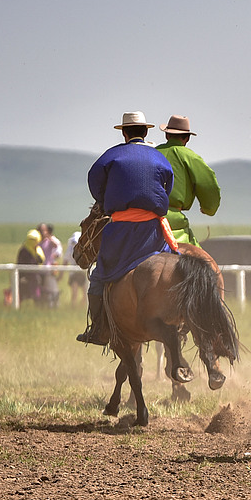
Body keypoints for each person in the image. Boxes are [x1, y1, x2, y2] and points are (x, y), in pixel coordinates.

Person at [78, 111, 176, 345]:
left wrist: (106, 200)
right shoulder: (159, 158)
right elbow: (168, 185)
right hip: (153, 230)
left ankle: (99, 329)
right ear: (145, 132)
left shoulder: (111, 156)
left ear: (124, 133)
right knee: (173, 269)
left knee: (99, 276)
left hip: (121, 229)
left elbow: (94, 180)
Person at [155, 115, 221, 246]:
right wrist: (208, 208)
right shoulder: (191, 157)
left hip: (144, 217)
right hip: (174, 222)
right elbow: (208, 184)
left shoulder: (152, 153)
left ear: (166, 135)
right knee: (203, 263)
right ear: (187, 138)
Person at [16, 229, 47, 306]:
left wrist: (35, 252)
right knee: (22, 292)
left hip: (34, 275)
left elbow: (40, 260)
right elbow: (20, 263)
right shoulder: (23, 250)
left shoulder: (37, 249)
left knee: (37, 289)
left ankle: (38, 304)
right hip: (24, 275)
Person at [37, 223, 62, 307]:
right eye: (40, 231)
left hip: (48, 270)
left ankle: (53, 306)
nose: (42, 233)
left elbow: (57, 247)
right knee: (40, 290)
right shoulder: (36, 242)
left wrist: (49, 237)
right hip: (37, 270)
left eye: (43, 230)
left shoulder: (50, 241)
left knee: (51, 289)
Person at [65, 229, 87, 306]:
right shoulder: (70, 249)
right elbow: (65, 260)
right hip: (74, 274)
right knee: (74, 292)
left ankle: (82, 306)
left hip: (82, 273)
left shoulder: (85, 249)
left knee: (85, 292)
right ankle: (73, 306)